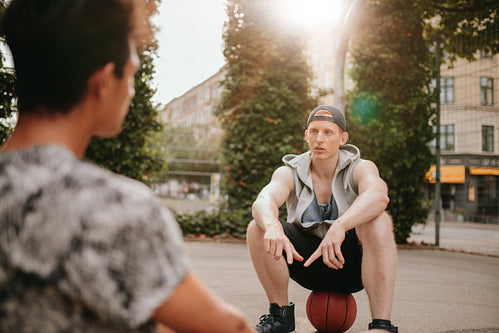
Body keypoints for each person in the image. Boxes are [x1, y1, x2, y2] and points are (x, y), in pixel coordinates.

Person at [0, 1, 255, 332]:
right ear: (104, 80)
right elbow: (225, 327)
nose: (131, 89)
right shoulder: (112, 208)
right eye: (132, 73)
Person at [247, 105, 398, 333]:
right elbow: (263, 200)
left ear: (342, 138)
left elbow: (378, 195)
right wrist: (271, 226)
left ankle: (381, 325)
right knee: (257, 227)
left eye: (328, 132)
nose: (320, 139)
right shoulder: (289, 171)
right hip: (307, 262)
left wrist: (341, 225)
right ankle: (280, 317)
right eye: (314, 131)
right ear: (306, 135)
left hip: (351, 264)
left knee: (380, 221)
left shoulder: (361, 167)